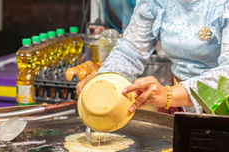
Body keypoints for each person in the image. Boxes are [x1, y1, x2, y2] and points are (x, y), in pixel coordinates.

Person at [76, 0, 229, 113]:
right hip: (177, 106)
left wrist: (169, 94)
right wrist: (105, 79)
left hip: (222, 106)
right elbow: (130, 51)